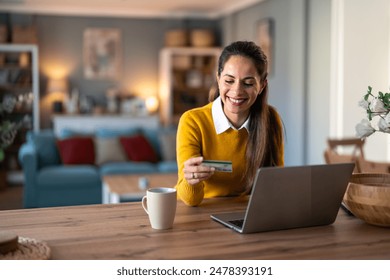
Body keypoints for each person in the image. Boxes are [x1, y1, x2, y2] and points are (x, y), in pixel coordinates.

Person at [175, 41, 284, 206]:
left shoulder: (271, 119)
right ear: (218, 79)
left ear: (262, 85)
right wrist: (192, 181)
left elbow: (276, 185)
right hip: (201, 211)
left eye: (248, 83)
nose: (237, 91)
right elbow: (191, 200)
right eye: (229, 81)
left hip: (248, 212)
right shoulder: (193, 121)